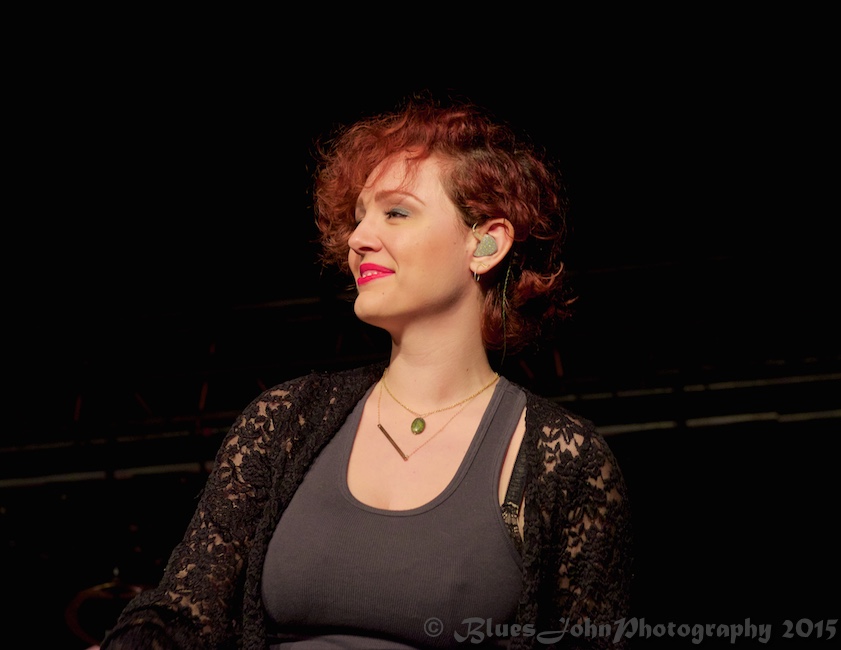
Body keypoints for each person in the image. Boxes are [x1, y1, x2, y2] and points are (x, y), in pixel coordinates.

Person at [101, 95, 633, 649]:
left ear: (485, 243)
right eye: (358, 218)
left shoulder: (564, 461)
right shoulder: (285, 420)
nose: (358, 240)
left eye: (396, 212)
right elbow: (184, 614)